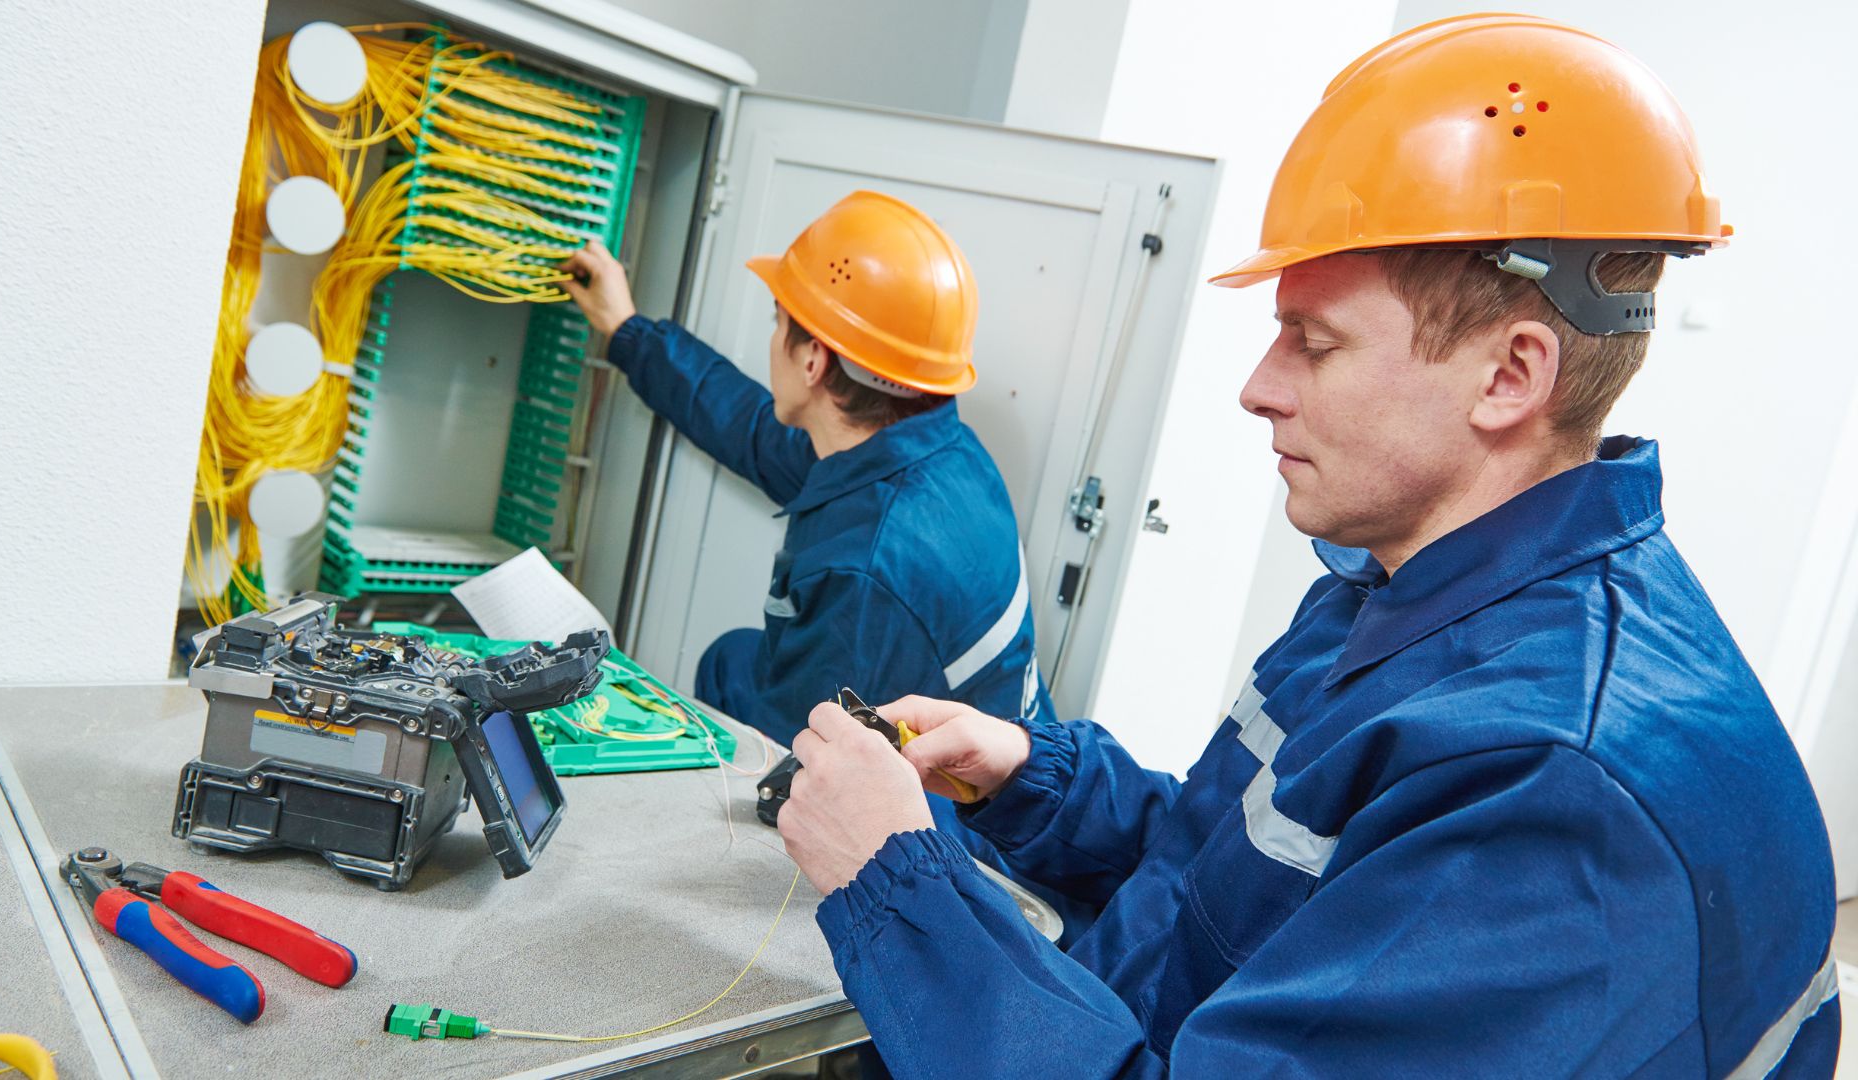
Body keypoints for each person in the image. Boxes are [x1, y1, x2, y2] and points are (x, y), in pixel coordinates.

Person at [774, 15, 1840, 1077]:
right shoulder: (1397, 591)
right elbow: (1244, 885)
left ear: (1509, 377)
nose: (1259, 388)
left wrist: (894, 884)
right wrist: (1031, 779)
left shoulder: (1547, 796)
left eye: (1314, 343)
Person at [560, 190, 1070, 896]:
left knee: (728, 680)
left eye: (779, 324)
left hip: (965, 853)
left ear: (813, 363)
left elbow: (796, 773)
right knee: (734, 662)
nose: (772, 339)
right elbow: (755, 432)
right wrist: (627, 331)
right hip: (997, 792)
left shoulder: (871, 568)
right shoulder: (932, 448)